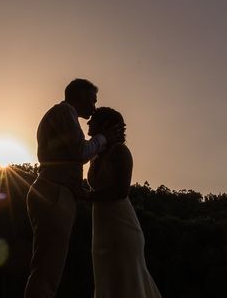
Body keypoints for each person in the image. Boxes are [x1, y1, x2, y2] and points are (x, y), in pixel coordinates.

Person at [24, 78, 122, 298]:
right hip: (55, 193)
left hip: (55, 192)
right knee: (47, 271)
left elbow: (72, 156)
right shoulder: (64, 113)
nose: (94, 107)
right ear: (80, 96)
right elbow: (80, 151)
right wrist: (104, 138)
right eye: (92, 100)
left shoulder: (63, 116)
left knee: (47, 269)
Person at [87, 107, 162, 298]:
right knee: (106, 279)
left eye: (93, 119)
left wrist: (84, 195)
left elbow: (120, 191)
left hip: (121, 226)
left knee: (126, 282)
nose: (88, 123)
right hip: (102, 227)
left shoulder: (120, 152)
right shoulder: (96, 155)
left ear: (104, 125)